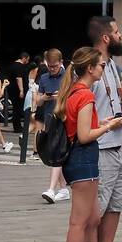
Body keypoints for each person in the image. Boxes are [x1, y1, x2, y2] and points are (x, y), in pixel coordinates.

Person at [56, 47, 122, 242]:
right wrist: (108, 127)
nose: (102, 70)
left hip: (81, 157)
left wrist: (102, 121)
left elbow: (80, 125)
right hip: (82, 157)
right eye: (100, 66)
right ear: (89, 68)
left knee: (94, 217)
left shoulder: (75, 90)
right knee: (79, 221)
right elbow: (84, 135)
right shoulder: (85, 94)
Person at [87, 15, 122, 242]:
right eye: (117, 32)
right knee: (97, 210)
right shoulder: (90, 65)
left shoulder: (113, 65)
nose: (120, 36)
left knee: (117, 205)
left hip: (117, 144)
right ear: (106, 37)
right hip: (100, 146)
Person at [35, 49, 70, 203]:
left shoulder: (68, 76)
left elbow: (74, 96)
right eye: (50, 66)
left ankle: (51, 189)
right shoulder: (43, 78)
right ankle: (63, 189)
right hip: (50, 119)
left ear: (61, 63)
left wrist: (61, 96)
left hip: (65, 119)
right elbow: (38, 101)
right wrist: (44, 97)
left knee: (57, 154)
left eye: (55, 66)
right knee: (56, 153)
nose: (52, 69)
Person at [8, 51, 30, 139]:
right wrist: (21, 90)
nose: (27, 62)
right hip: (17, 90)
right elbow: (19, 78)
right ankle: (17, 127)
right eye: (27, 60)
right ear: (24, 58)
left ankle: (16, 125)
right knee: (18, 108)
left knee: (15, 107)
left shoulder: (12, 65)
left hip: (12, 90)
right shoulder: (20, 66)